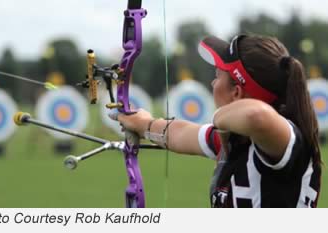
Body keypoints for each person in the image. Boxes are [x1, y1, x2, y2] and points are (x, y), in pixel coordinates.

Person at [110, 34, 322, 208]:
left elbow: (256, 116)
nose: (212, 82)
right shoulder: (236, 140)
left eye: (218, 75)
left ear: (236, 92)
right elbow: (180, 134)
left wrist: (220, 118)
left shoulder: (285, 140)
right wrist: (143, 123)